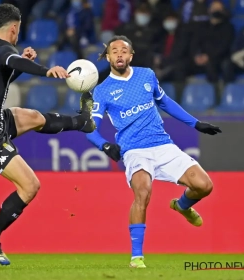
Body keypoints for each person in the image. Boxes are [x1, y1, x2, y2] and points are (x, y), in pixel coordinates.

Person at [0, 4, 95, 266]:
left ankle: (83, 122)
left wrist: (24, 64)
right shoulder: (4, 50)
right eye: (18, 30)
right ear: (14, 29)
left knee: (31, 116)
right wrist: (44, 70)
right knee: (30, 185)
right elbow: (12, 60)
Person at [86, 35, 221, 268]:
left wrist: (195, 123)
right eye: (114, 50)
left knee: (204, 185)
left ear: (131, 55)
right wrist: (105, 145)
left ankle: (181, 206)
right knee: (143, 194)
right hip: (134, 150)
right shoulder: (102, 91)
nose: (119, 54)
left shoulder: (146, 75)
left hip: (162, 144)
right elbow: (90, 128)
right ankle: (136, 257)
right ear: (107, 57)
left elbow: (165, 102)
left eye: (124, 50)